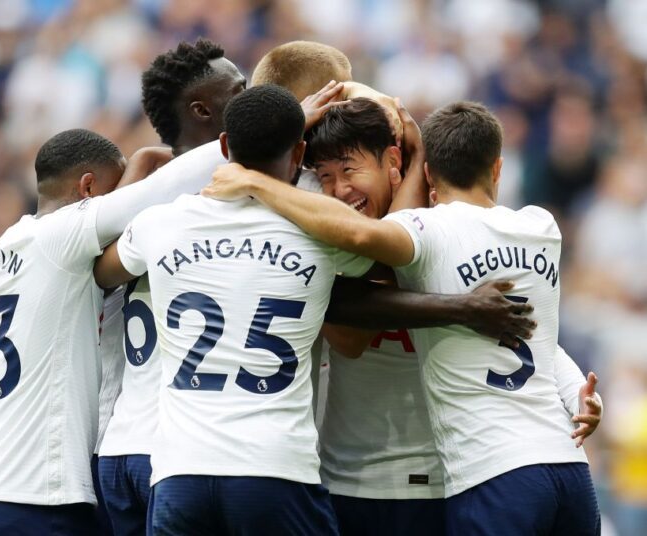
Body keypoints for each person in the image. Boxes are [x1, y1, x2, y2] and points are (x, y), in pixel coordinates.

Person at [203, 100, 602, 535]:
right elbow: (355, 332)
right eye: (325, 177)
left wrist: (570, 386)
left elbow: (529, 328)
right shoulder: (534, 225)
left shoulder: (427, 234)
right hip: (359, 482)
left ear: (399, 163)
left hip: (457, 480)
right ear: (497, 169)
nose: (338, 191)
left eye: (349, 171)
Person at [0, 126, 243, 536]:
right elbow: (161, 189)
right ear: (86, 188)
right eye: (114, 191)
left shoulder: (13, 240)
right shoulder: (62, 236)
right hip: (26, 499)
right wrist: (269, 126)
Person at [94, 84, 371, 534]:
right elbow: (383, 253)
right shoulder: (325, 232)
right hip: (275, 469)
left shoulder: (161, 224)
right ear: (300, 152)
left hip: (180, 472)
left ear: (224, 146)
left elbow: (103, 272)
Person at [141, 38, 247, 157]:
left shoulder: (158, 172)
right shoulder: (246, 170)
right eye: (240, 90)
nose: (251, 97)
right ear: (202, 111)